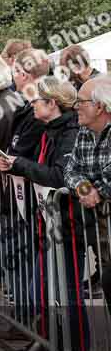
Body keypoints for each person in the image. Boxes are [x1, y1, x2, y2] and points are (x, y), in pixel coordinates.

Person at [0, 76, 90, 351]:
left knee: (67, 293)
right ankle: (49, 346)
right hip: (47, 220)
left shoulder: (70, 132)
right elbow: (41, 169)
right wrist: (15, 166)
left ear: (52, 103)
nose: (31, 104)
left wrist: (20, 165)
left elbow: (60, 176)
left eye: (36, 100)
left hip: (67, 223)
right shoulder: (49, 130)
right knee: (47, 291)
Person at [64, 76, 111, 303]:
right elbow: (70, 170)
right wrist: (84, 188)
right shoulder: (84, 130)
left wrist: (98, 191)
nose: (76, 107)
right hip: (102, 229)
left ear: (99, 106)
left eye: (81, 101)